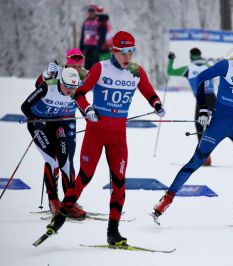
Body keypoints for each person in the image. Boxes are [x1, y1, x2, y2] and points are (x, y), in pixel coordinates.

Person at [46, 31, 166, 245]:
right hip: (96, 133)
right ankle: (59, 220)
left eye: (132, 51)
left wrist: (156, 104)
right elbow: (79, 93)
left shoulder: (136, 71)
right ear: (114, 51)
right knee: (84, 178)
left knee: (119, 182)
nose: (128, 57)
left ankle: (113, 232)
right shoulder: (101, 68)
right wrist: (88, 110)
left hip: (118, 137)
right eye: (124, 52)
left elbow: (149, 92)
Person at [151, 32, 233, 226]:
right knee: (196, 161)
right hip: (219, 123)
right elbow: (202, 79)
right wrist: (204, 108)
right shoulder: (227, 65)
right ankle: (166, 200)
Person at [21, 68, 86, 219]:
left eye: (73, 86)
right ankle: (53, 200)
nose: (70, 90)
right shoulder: (47, 86)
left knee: (66, 163)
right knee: (52, 161)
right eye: (67, 86)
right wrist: (34, 119)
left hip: (58, 124)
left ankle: (70, 202)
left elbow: (83, 108)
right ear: (60, 81)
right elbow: (25, 106)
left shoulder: (75, 92)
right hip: (40, 125)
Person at [167, 47, 216, 165]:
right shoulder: (208, 66)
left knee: (200, 127)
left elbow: (170, 72)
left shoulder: (188, 69)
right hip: (213, 98)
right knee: (221, 126)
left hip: (201, 100)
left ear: (190, 57)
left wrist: (171, 60)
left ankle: (205, 156)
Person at [79, 4, 100, 70]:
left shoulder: (98, 21)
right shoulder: (86, 22)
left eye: (93, 11)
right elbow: (82, 36)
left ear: (95, 12)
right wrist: (81, 49)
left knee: (96, 66)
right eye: (90, 11)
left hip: (95, 48)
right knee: (87, 67)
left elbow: (101, 36)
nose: (91, 12)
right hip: (87, 47)